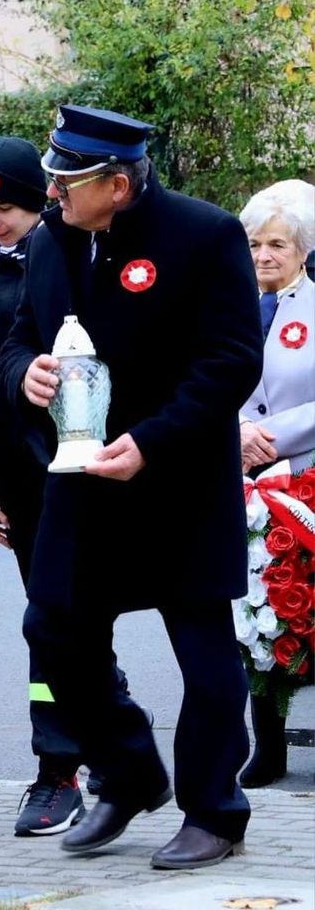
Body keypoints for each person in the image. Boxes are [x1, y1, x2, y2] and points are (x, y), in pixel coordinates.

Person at [0, 106, 262, 869]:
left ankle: (214, 811)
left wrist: (151, 441)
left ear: (117, 185)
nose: (51, 194)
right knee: (53, 631)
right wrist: (25, 375)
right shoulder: (51, 240)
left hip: (179, 484)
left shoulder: (204, 235)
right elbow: (19, 337)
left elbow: (231, 361)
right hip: (84, 487)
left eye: (67, 181)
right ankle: (129, 771)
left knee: (204, 656)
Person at [0, 136, 85, 835]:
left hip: (81, 474)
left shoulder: (76, 256)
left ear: (39, 200)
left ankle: (65, 767)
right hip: (14, 481)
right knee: (52, 618)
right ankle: (79, 752)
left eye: (6, 207)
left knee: (63, 617)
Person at [235, 178, 315, 787]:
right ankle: (267, 746)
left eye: (277, 244)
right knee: (251, 609)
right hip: (239, 478)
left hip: (305, 476)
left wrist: (271, 436)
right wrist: (234, 430)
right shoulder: (224, 304)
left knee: (303, 606)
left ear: (303, 249)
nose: (263, 255)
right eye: (255, 243)